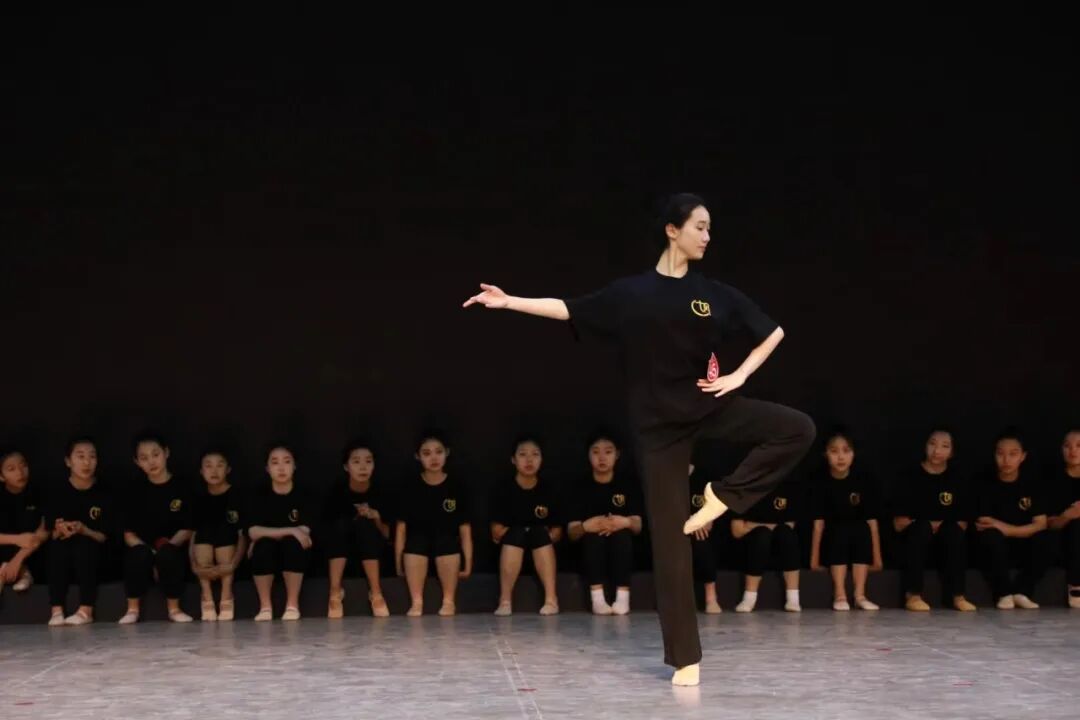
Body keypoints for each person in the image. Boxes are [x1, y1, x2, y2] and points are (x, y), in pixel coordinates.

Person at [463, 193, 816, 686]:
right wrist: (509, 301)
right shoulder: (631, 294)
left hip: (709, 407)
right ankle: (685, 658)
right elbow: (569, 309)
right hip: (657, 432)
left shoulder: (714, 294)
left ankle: (722, 496)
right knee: (671, 543)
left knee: (797, 428)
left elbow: (772, 332)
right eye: (699, 226)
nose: (707, 235)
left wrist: (738, 376)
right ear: (672, 230)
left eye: (709, 227)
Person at [892, 428, 975, 612]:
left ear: (952, 452)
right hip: (915, 538)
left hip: (945, 539)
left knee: (953, 531)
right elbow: (899, 523)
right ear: (925, 446)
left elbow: (962, 523)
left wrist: (940, 526)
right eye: (932, 444)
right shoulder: (909, 476)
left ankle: (957, 596)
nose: (937, 451)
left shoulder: (957, 479)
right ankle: (913, 595)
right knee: (921, 528)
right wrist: (929, 526)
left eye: (945, 446)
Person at [394, 433, 473, 617]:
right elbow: (401, 529)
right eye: (427, 453)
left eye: (438, 452)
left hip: (446, 543)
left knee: (446, 542)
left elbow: (465, 529)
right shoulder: (410, 486)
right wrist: (398, 563)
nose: (434, 458)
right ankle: (416, 601)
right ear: (418, 456)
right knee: (416, 543)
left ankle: (449, 601)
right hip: (418, 543)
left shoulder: (457, 485)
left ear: (447, 453)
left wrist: (468, 564)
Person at [120, 432, 195, 624]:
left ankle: (174, 609)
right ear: (137, 462)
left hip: (173, 548)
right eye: (144, 458)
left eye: (155, 454)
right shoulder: (133, 489)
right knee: (137, 554)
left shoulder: (183, 486)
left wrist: (163, 550)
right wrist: (152, 554)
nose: (151, 462)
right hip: (145, 550)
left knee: (168, 554)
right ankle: (132, 610)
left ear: (166, 453)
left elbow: (187, 529)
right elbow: (128, 534)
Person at [565, 431, 642, 615]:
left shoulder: (628, 483)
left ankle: (622, 598)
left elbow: (638, 525)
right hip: (589, 546)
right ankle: (597, 599)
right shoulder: (579, 486)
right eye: (596, 452)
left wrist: (624, 522)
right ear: (588, 455)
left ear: (617, 455)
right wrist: (586, 526)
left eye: (608, 452)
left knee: (621, 535)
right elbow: (571, 532)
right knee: (594, 537)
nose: (602, 457)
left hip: (622, 542)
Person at [809, 428, 883, 611]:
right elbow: (818, 525)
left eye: (846, 451)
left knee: (860, 528)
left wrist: (877, 559)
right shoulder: (820, 483)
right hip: (834, 540)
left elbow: (872, 522)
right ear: (825, 454)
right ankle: (840, 594)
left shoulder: (863, 481)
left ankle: (860, 595)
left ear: (853, 454)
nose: (840, 457)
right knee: (840, 529)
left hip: (858, 538)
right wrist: (814, 560)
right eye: (834, 451)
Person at [976, 429, 1049, 610]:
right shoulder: (984, 483)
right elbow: (985, 523)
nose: (1006, 460)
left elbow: (1041, 524)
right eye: (1001, 454)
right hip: (996, 545)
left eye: (1013, 454)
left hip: (1024, 543)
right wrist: (1004, 529)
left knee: (1046, 539)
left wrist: (1006, 528)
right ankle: (1004, 593)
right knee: (990, 536)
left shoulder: (1032, 483)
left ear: (1023, 456)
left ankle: (1022, 592)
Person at [490, 436, 561, 616]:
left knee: (539, 534)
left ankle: (551, 599)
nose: (529, 460)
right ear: (513, 459)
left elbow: (557, 531)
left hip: (542, 549)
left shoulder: (549, 489)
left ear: (542, 459)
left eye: (535, 455)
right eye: (523, 455)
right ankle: (505, 600)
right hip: (512, 548)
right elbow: (496, 531)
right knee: (517, 533)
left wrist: (543, 535)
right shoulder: (503, 489)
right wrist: (519, 531)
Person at [44, 437, 111, 626]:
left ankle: (86, 610)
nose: (87, 462)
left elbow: (105, 536)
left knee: (85, 545)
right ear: (68, 461)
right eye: (80, 456)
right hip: (65, 554)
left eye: (92, 456)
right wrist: (60, 529)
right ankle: (56, 610)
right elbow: (50, 532)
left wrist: (85, 530)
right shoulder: (56, 490)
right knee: (57, 548)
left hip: (96, 554)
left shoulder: (105, 491)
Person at [323, 439, 391, 618]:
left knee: (366, 525)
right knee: (341, 526)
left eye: (368, 461)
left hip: (373, 553)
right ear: (346, 466)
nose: (363, 467)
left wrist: (377, 518)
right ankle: (335, 592)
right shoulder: (337, 492)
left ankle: (376, 593)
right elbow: (328, 532)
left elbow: (388, 534)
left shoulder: (381, 492)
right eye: (356, 461)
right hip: (341, 554)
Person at [247, 444, 314, 621]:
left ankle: (292, 604)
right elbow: (253, 531)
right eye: (275, 463)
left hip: (294, 550)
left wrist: (272, 533)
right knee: (263, 546)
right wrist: (291, 529)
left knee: (292, 543)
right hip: (268, 549)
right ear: (267, 468)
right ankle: (265, 607)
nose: (281, 468)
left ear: (294, 466)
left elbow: (304, 532)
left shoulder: (305, 494)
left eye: (287, 462)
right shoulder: (259, 494)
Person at [189, 448, 247, 621]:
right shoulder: (198, 498)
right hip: (205, 554)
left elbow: (242, 535)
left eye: (219, 465)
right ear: (201, 471)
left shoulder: (238, 495)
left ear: (228, 469)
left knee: (225, 531)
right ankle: (206, 595)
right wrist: (193, 565)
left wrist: (234, 564)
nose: (214, 471)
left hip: (230, 557)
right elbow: (193, 535)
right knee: (204, 532)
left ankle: (226, 594)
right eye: (208, 466)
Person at [0, 449, 48, 595]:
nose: (20, 473)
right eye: (11, 469)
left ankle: (21, 572)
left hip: (31, 553)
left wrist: (18, 560)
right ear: (1, 476)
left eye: (23, 466)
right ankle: (20, 573)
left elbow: (43, 533)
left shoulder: (39, 493)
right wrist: (18, 539)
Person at [1047, 429, 1080, 608]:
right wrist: (1068, 515)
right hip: (1065, 539)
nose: (1073, 451)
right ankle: (1076, 585)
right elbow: (1050, 524)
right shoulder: (1054, 480)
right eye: (1068, 446)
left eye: (1079, 446)